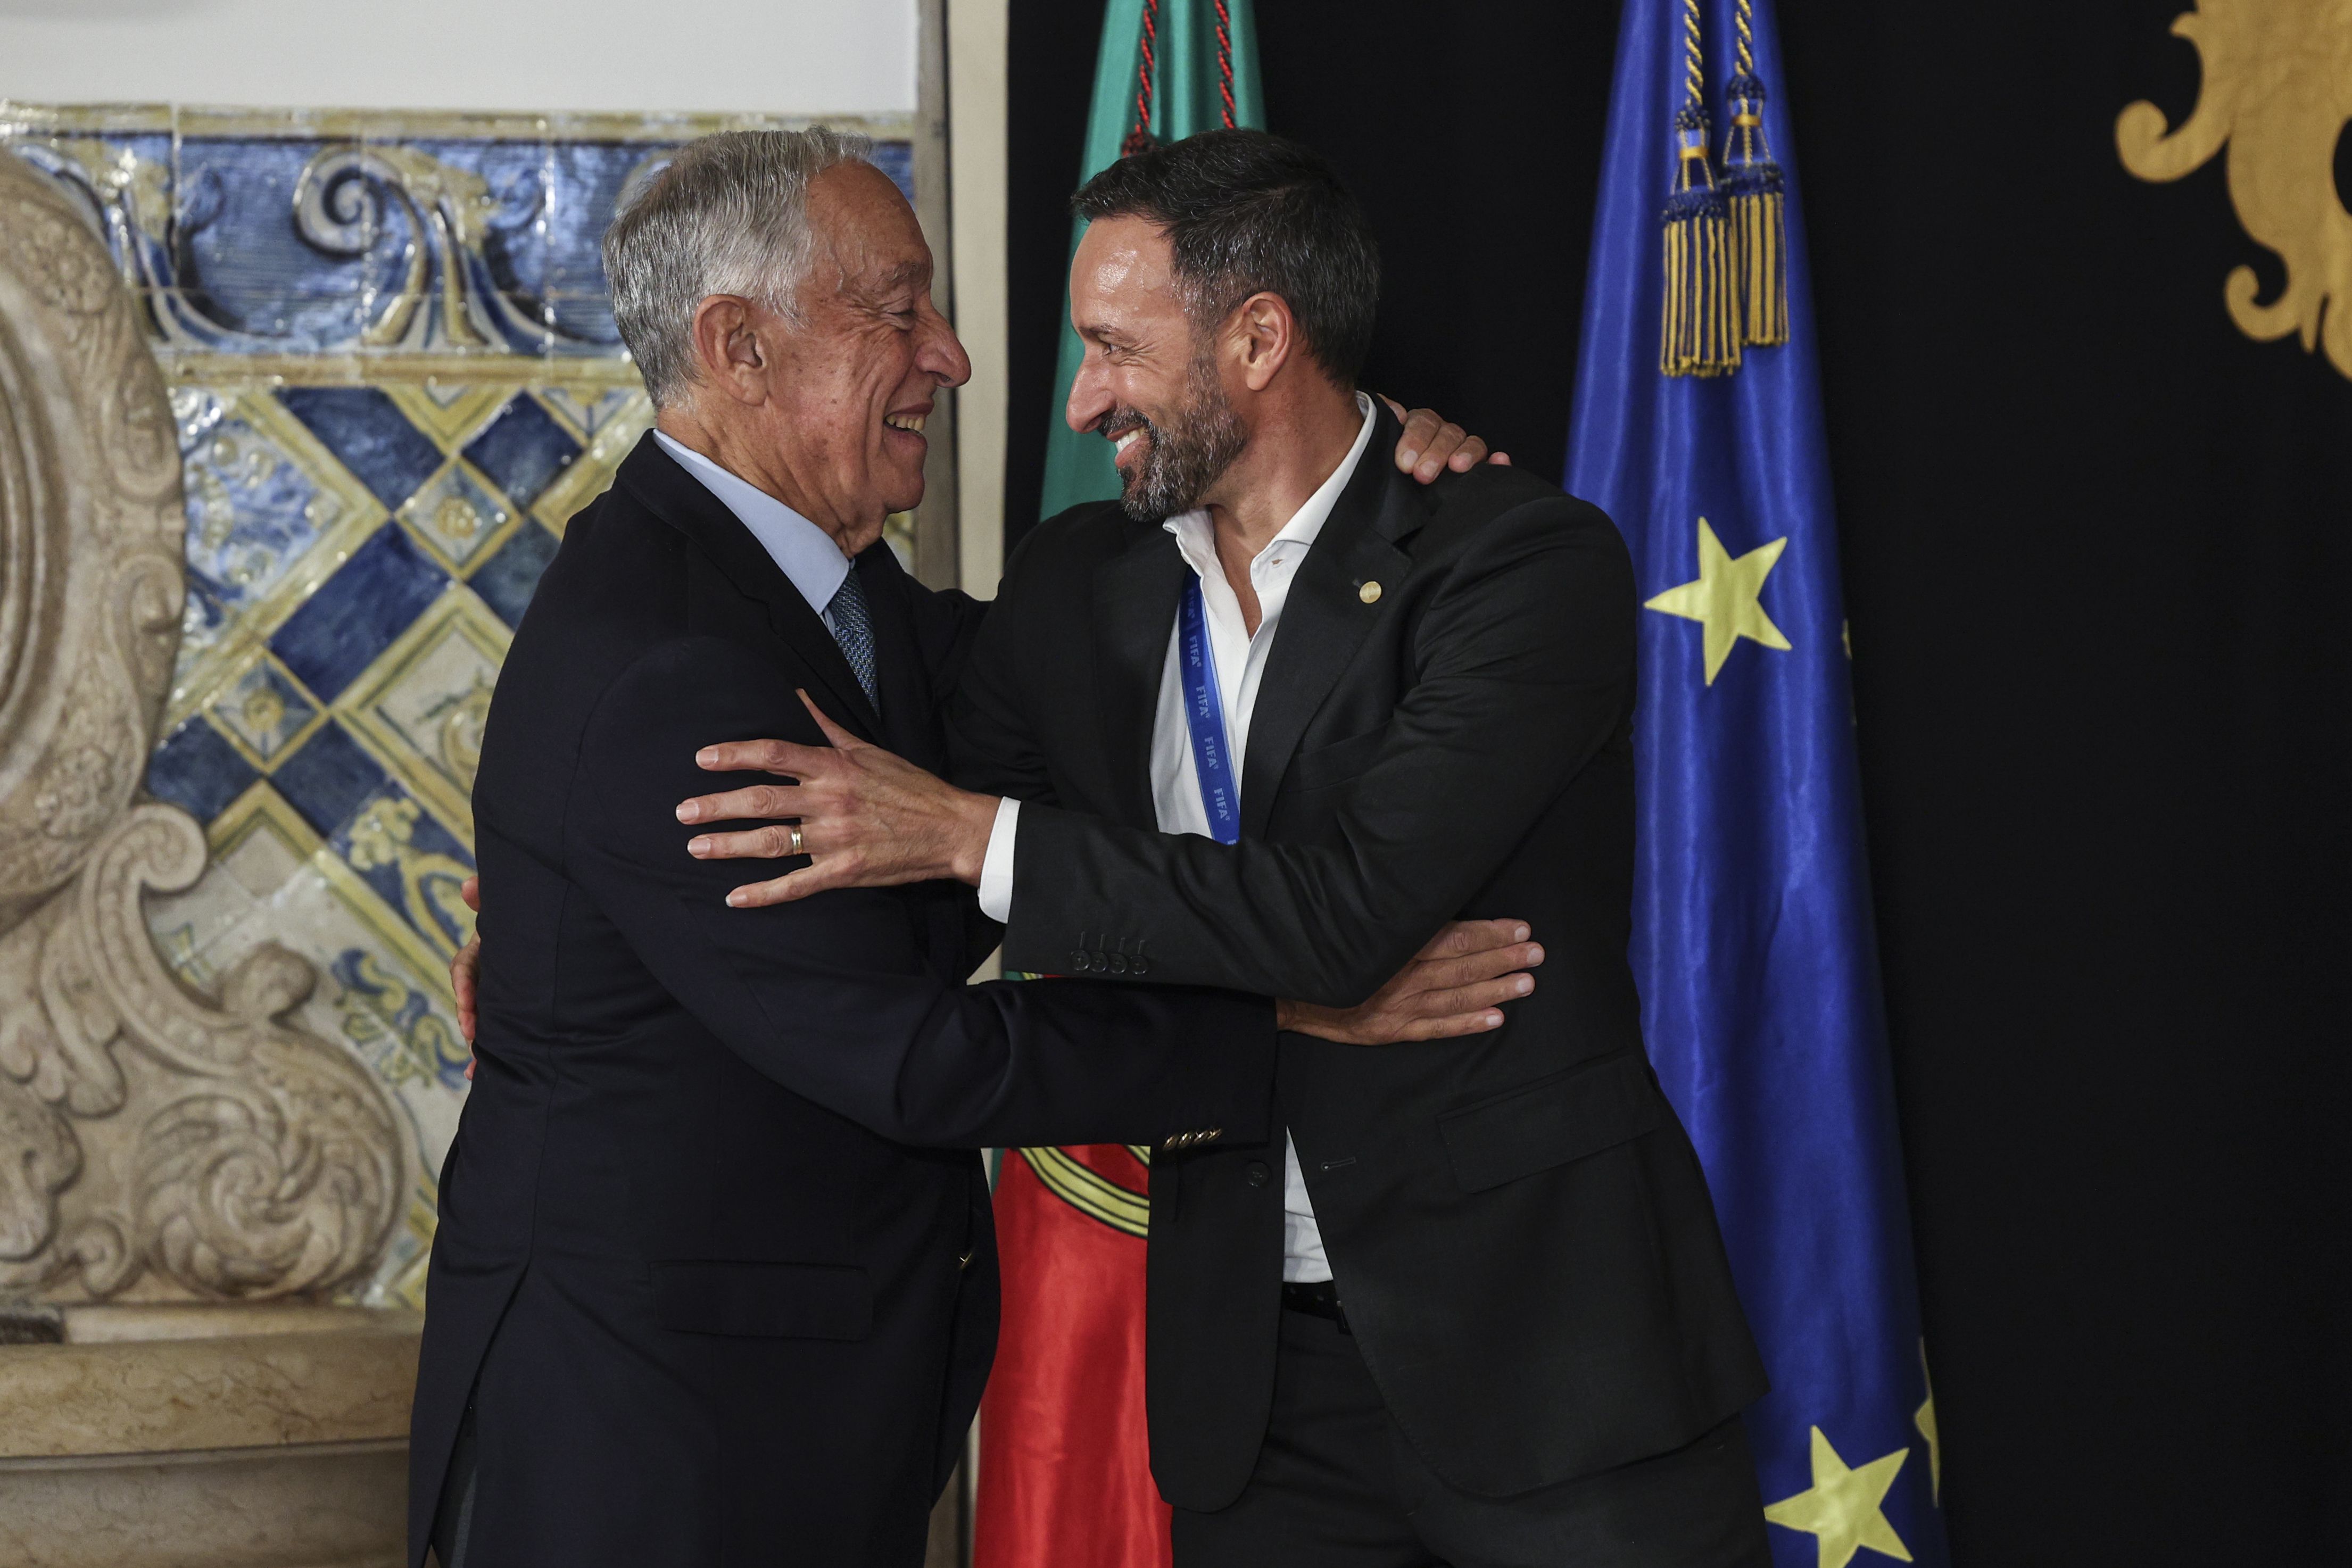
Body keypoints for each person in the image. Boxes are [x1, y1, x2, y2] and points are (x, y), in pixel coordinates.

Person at [416, 128, 1522, 1568]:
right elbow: (914, 1057)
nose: (952, 355)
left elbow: (1084, 685)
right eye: (899, 310)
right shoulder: (663, 664)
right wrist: (1297, 1018)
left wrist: (1350, 459)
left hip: (794, 1414)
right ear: (737, 346)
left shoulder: (839, 594)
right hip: (649, 1448)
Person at [679, 130, 1774, 1567]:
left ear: (1258, 338)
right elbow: (903, 865)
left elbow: (1344, 919)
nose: (1084, 400)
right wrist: (574, 877)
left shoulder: (1516, 564)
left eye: (1116, 348)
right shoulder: (1080, 585)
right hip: (1251, 1390)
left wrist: (976, 835)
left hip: (1548, 1364)